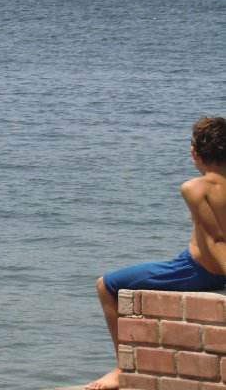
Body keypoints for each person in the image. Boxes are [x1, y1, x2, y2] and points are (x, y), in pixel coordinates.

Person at [86, 115, 226, 390]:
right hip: (216, 271)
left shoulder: (195, 187)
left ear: (194, 151)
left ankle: (120, 368)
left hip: (198, 271)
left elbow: (216, 238)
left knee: (106, 284)